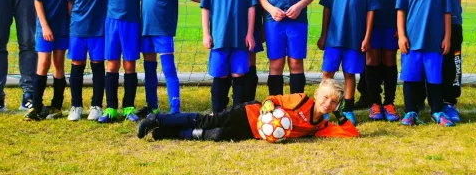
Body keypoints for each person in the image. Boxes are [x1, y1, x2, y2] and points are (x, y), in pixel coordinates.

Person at [67, 0, 173, 123]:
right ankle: (111, 108)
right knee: (112, 64)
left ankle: (128, 107)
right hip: (110, 23)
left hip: (132, 24)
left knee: (130, 65)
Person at [136, 78, 358, 141]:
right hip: (251, 113)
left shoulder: (320, 126)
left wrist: (338, 113)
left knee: (215, 136)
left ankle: (166, 133)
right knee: (208, 122)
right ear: (317, 94)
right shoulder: (301, 100)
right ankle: (159, 119)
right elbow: (272, 99)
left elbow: (352, 133)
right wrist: (269, 108)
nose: (327, 103)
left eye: (333, 102)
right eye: (326, 97)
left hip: (254, 132)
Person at [317, 0, 380, 125]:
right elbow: (327, 9)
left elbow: (371, 12)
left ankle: (348, 109)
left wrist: (367, 37)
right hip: (334, 39)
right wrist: (323, 34)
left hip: (355, 39)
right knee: (328, 72)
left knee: (349, 74)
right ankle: (322, 108)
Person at [139, 0, 201, 116]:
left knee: (168, 69)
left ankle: (175, 109)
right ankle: (152, 105)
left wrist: (210, 0)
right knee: (149, 68)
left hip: (164, 29)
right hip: (145, 29)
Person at [396, 0, 454, 127]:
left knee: (435, 79)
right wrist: (402, 35)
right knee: (411, 78)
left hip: (434, 42)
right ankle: (410, 111)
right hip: (412, 42)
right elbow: (401, 11)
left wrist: (447, 37)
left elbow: (447, 12)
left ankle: (437, 111)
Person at [24, 0, 76, 121]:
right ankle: (36, 105)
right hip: (46, 27)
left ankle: (56, 105)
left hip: (63, 27)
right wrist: (44, 26)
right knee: (43, 63)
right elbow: (38, 0)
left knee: (59, 64)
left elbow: (71, 2)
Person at [202, 0, 256, 113]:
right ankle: (218, 112)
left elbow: (251, 8)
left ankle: (238, 112)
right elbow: (206, 9)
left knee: (239, 74)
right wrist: (206, 34)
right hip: (219, 38)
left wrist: (249, 34)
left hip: (240, 38)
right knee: (220, 73)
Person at [67, 0, 107, 122]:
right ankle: (76, 105)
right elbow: (70, 2)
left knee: (98, 66)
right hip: (78, 29)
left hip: (99, 29)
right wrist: (75, 21)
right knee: (77, 66)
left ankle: (96, 105)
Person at [430, 0, 467, 123]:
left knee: (452, 64)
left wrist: (454, 21)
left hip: (452, 25)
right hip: (431, 26)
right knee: (433, 63)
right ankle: (430, 100)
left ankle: (450, 102)